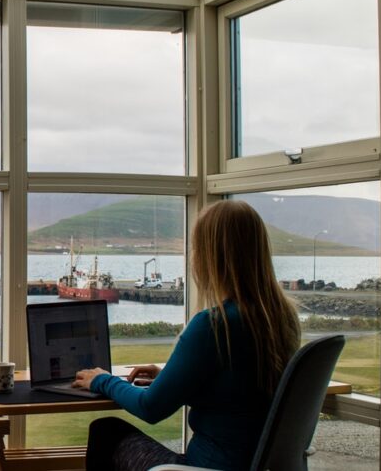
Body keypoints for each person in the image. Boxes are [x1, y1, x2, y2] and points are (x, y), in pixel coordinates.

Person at [72, 200, 302, 470]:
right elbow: (239, 394)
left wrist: (103, 380)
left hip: (208, 465)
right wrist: (172, 377)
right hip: (257, 464)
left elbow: (150, 407)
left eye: (196, 248)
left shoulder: (214, 326)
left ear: (210, 256)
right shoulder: (282, 318)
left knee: (106, 431)